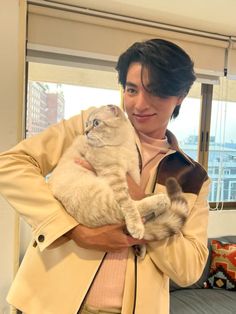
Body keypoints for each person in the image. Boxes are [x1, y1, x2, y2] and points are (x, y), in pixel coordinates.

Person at [0, 38, 210, 314]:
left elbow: (190, 269)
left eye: (156, 92)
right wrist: (74, 230)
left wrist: (138, 198)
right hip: (50, 302)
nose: (139, 104)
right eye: (132, 89)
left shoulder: (191, 176)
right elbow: (11, 164)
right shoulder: (94, 124)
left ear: (180, 96)